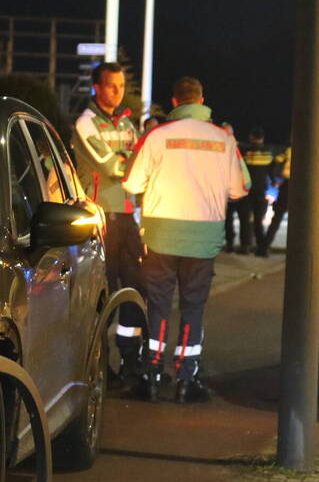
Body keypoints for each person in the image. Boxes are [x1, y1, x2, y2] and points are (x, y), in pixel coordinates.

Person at [123, 77, 249, 402]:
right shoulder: (223, 139)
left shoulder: (156, 136)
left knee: (159, 306)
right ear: (202, 100)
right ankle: (185, 379)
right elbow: (240, 188)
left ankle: (151, 375)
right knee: (193, 307)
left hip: (162, 236)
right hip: (203, 239)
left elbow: (131, 183)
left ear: (175, 102)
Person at [72, 62, 145, 383]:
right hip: (101, 220)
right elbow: (111, 166)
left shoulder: (129, 124)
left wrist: (128, 161)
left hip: (129, 218)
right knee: (100, 297)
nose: (117, 92)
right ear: (96, 88)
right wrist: (130, 161)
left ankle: (131, 359)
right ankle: (100, 366)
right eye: (111, 86)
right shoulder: (86, 123)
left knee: (133, 292)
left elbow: (139, 162)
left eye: (120, 85)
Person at [240, 127, 275, 257]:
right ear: (262, 139)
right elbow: (271, 170)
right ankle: (261, 248)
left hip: (247, 191)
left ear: (251, 137)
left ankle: (245, 246)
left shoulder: (245, 152)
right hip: (261, 191)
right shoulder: (268, 153)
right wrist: (273, 181)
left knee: (245, 220)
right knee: (258, 221)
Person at [220, 122, 250, 253]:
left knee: (244, 220)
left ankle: (244, 245)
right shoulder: (220, 149)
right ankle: (230, 244)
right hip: (226, 190)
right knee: (228, 220)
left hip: (241, 190)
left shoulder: (243, 150)